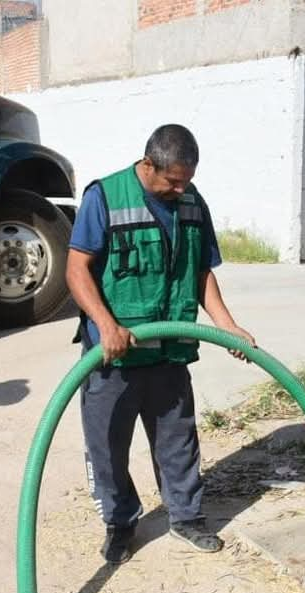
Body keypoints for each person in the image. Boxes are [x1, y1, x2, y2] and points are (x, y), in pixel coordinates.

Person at [66, 124, 255, 564]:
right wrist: (107, 326)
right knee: (107, 446)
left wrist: (226, 325)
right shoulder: (106, 197)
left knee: (178, 439)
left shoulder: (191, 201)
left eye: (187, 178)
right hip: (114, 354)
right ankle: (119, 523)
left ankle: (186, 517)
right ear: (148, 165)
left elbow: (202, 270)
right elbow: (76, 269)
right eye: (173, 180)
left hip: (169, 351)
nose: (181, 187)